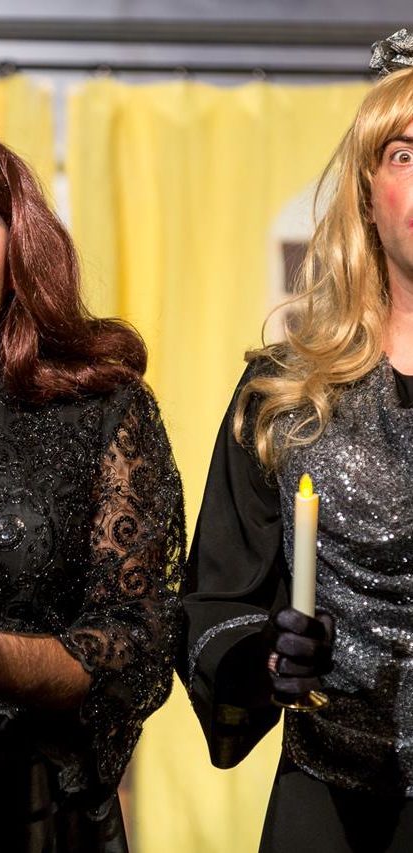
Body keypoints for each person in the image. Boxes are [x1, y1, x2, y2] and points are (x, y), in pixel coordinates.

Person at [0, 119, 185, 853]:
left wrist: (3, 660)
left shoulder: (99, 412)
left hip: (35, 814)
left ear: (16, 251)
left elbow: (140, 640)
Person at [179, 29, 413, 853]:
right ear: (366, 191)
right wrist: (271, 656)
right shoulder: (283, 395)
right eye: (406, 153)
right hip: (331, 802)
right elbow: (215, 600)